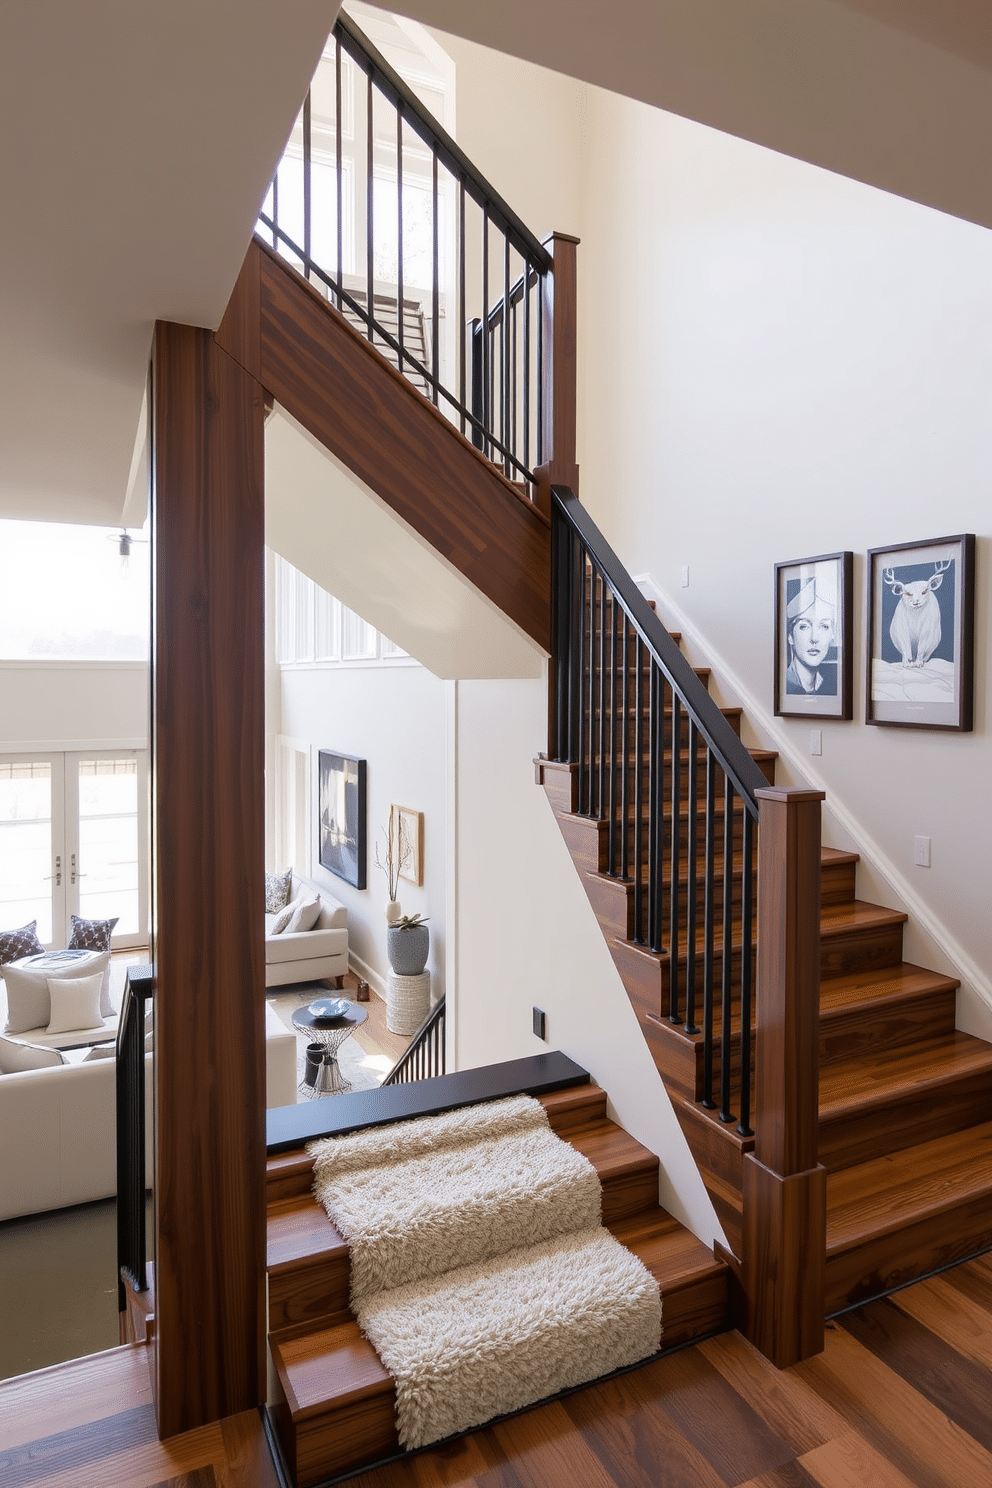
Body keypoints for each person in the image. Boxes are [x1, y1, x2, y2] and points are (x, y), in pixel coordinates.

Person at [785, 578, 837, 695]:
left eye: (824, 626)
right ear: (790, 637)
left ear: (832, 635)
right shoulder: (785, 685)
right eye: (804, 627)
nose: (814, 638)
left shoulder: (833, 685)